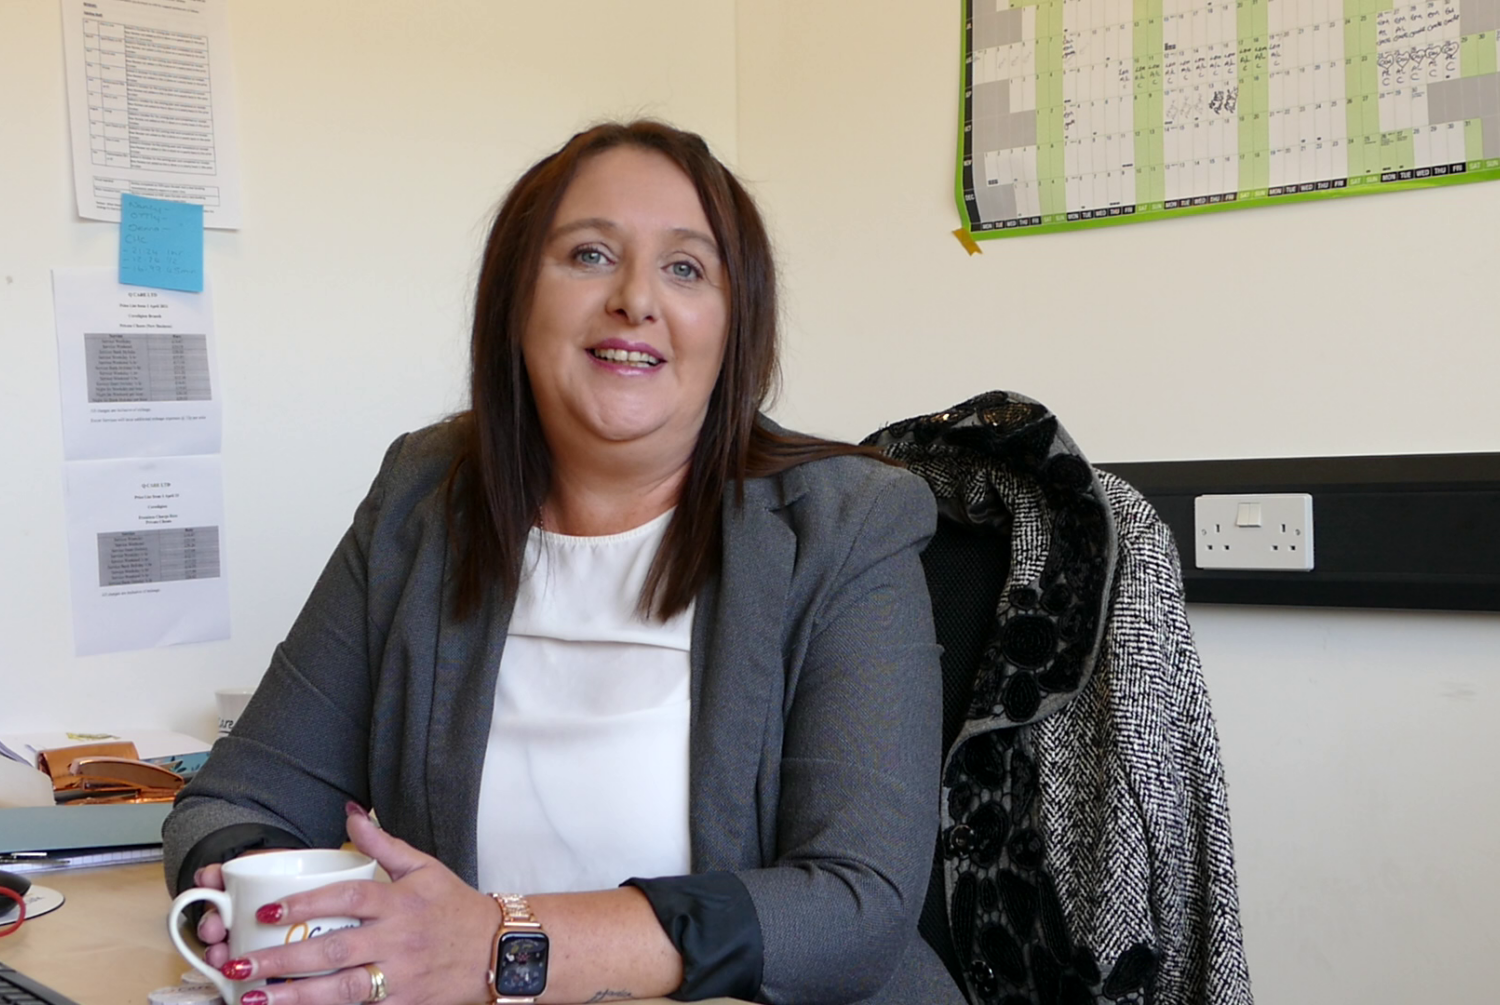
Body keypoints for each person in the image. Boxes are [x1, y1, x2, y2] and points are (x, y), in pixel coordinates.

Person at [163, 121, 966, 1005]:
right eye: (589, 254)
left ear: (736, 325)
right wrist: (265, 913)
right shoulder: (424, 500)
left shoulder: (849, 521)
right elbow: (236, 799)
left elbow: (855, 905)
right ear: (516, 298)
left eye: (687, 268)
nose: (635, 298)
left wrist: (503, 943)